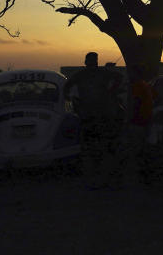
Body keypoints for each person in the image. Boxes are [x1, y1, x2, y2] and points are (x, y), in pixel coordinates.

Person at [63, 52, 123, 189]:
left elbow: (67, 86)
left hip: (98, 115)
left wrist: (111, 91)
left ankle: (100, 174)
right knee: (96, 145)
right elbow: (67, 86)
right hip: (91, 115)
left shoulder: (93, 73)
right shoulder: (88, 74)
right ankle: (99, 173)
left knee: (97, 145)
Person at [124, 63, 156, 181]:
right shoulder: (146, 85)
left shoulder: (137, 86)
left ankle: (137, 173)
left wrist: (129, 119)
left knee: (136, 147)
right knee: (143, 146)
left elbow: (136, 103)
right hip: (146, 119)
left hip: (138, 120)